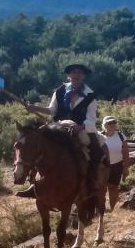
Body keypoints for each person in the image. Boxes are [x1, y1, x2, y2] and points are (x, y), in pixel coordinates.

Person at [21, 63, 102, 200]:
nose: (76, 75)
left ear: (83, 76)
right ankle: (34, 183)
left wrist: (80, 127)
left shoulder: (90, 96)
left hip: (79, 128)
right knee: (37, 144)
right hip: (58, 127)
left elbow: (91, 119)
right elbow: (52, 110)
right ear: (68, 75)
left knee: (96, 149)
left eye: (79, 73)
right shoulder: (59, 91)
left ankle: (92, 182)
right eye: (73, 72)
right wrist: (35, 108)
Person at [99, 116, 129, 210]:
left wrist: (126, 168)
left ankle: (112, 209)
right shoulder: (99, 137)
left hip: (117, 166)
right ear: (104, 125)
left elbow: (126, 153)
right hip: (102, 167)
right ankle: (101, 209)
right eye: (109, 123)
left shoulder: (121, 136)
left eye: (113, 123)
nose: (112, 125)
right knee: (101, 189)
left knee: (113, 187)